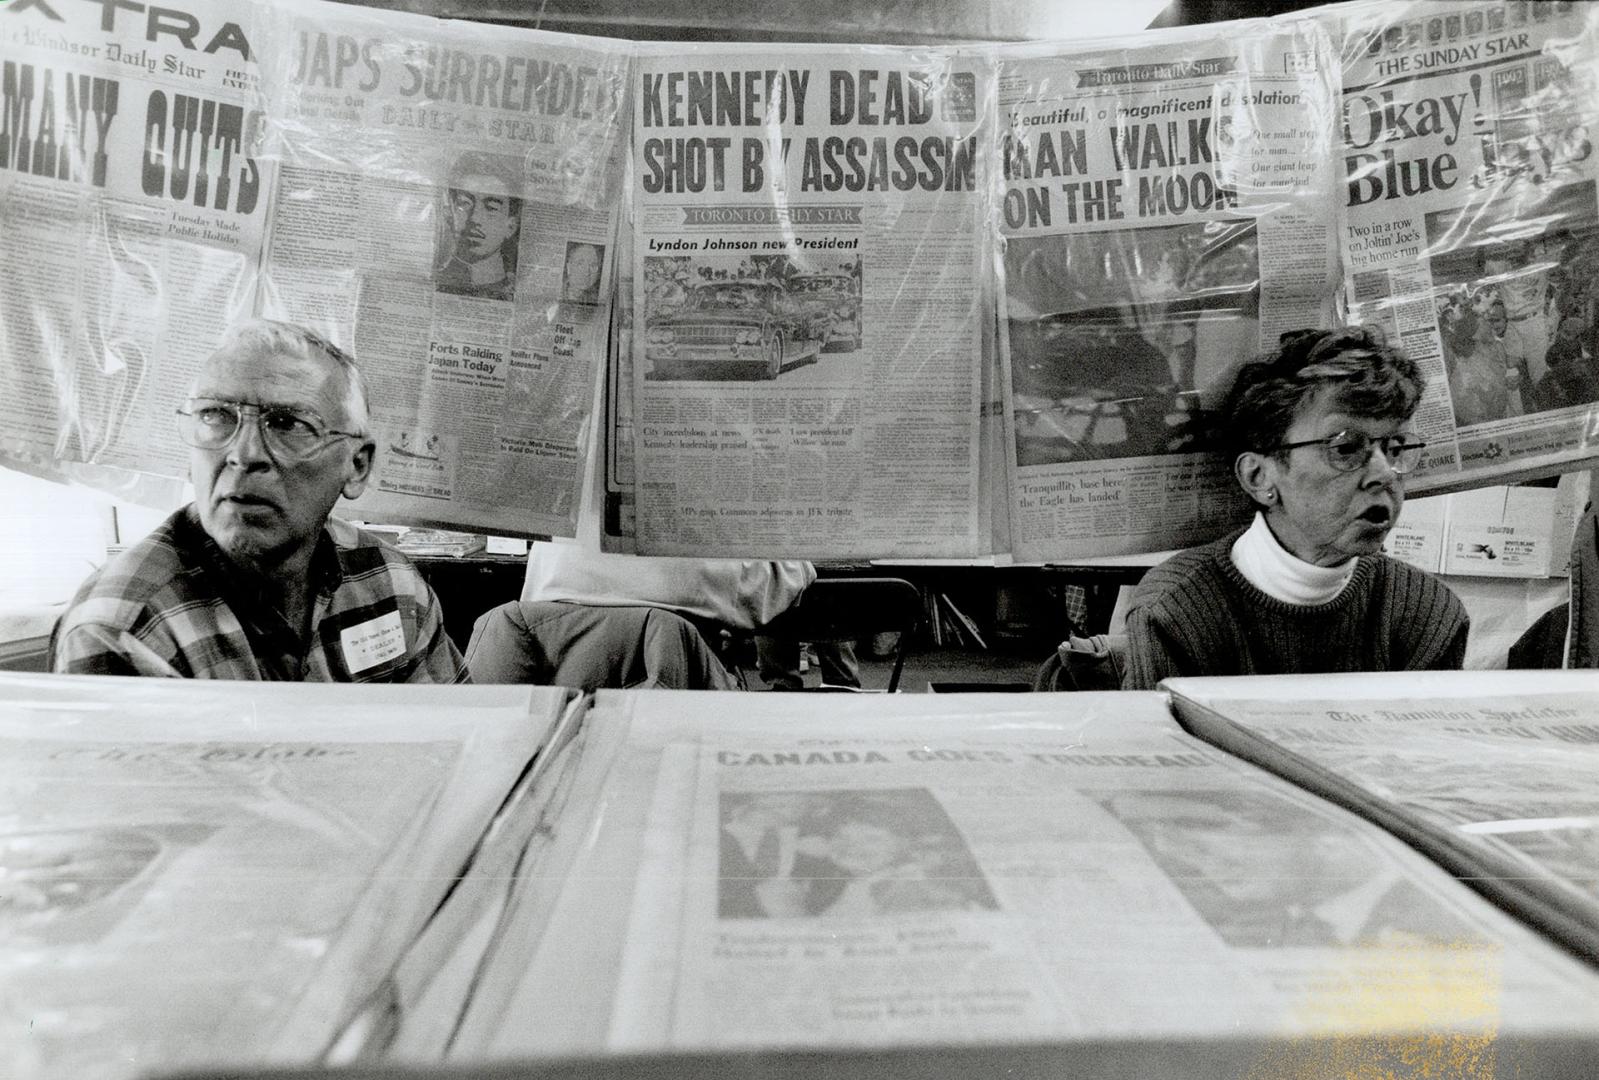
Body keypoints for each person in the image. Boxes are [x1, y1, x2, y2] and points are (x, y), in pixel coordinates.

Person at [51, 320, 467, 682]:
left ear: (356, 466)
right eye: (216, 416)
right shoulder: (127, 628)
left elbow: (462, 747)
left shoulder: (389, 583)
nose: (244, 454)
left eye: (288, 423)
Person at [1122, 327, 1468, 689]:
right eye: (1347, 447)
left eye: (1395, 445)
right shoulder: (1175, 610)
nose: (1383, 473)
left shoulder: (1427, 611)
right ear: (1260, 477)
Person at [465, 541, 814, 690]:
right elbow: (784, 580)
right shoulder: (707, 556)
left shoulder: (554, 545)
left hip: (554, 724)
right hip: (676, 719)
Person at [434, 152, 522, 302]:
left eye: (491, 207)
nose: (475, 218)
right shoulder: (433, 282)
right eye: (465, 203)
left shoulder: (518, 289)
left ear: (511, 226)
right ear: (450, 215)